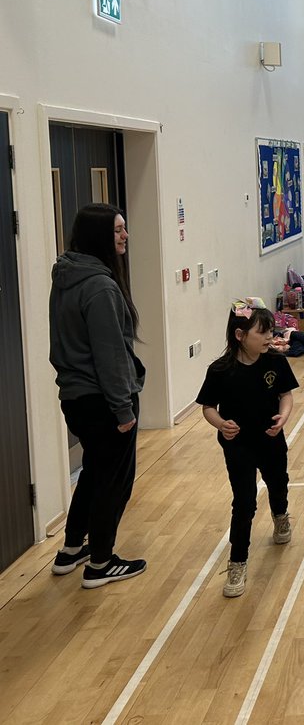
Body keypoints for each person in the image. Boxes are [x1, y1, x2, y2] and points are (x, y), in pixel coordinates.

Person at [49, 203, 147, 588]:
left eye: (124, 228)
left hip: (76, 399)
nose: (125, 236)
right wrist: (123, 409)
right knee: (113, 481)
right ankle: (101, 563)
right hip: (104, 400)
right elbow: (110, 355)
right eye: (118, 230)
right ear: (98, 236)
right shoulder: (101, 286)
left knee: (93, 472)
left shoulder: (66, 277)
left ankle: (73, 548)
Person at [197, 301, 298, 598]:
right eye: (262, 332)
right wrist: (220, 424)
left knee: (278, 483)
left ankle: (281, 516)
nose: (270, 338)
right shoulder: (220, 370)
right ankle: (237, 561)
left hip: (270, 438)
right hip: (238, 444)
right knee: (244, 502)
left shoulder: (276, 362)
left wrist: (284, 415)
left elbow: (286, 395)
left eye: (271, 331)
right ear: (240, 335)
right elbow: (207, 407)